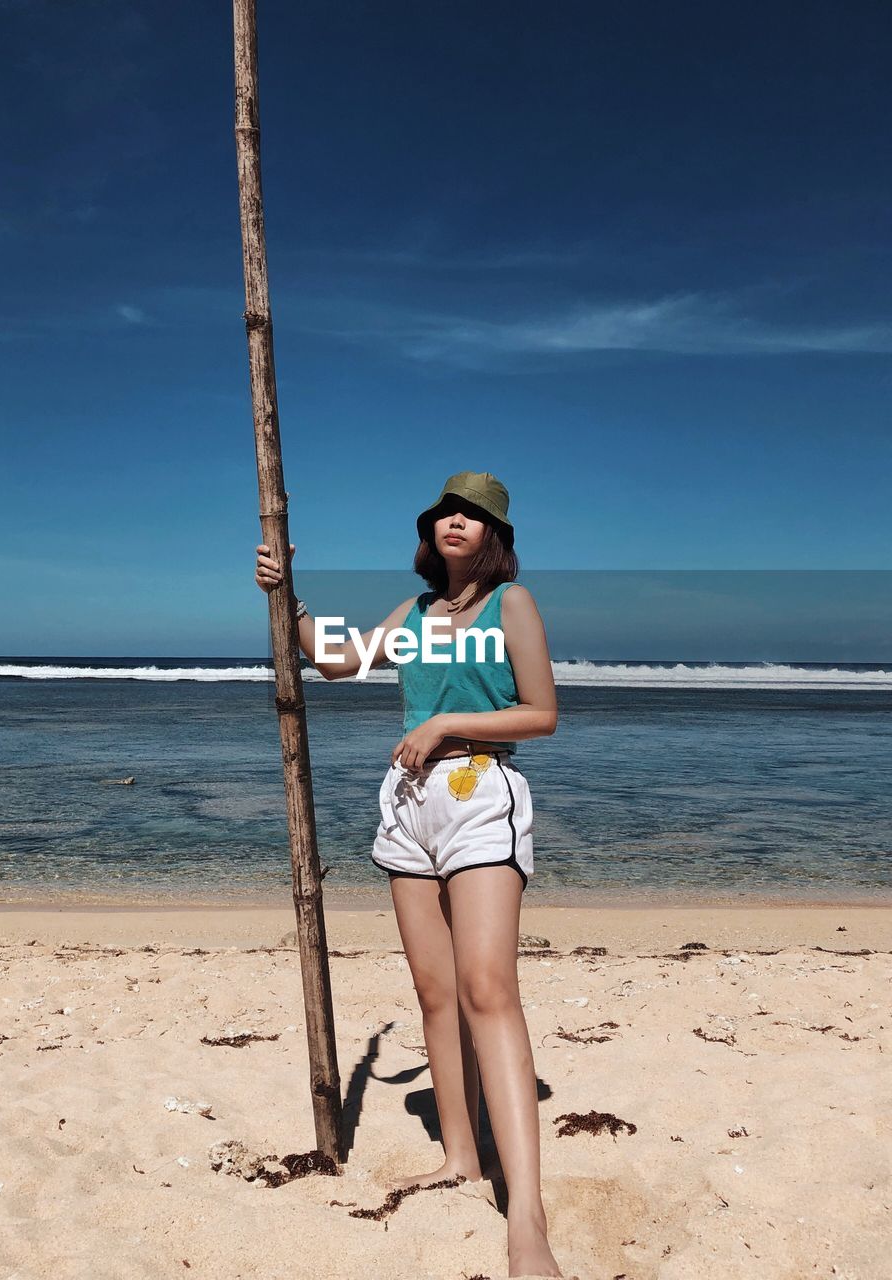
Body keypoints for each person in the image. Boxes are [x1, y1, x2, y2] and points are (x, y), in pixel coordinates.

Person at [255, 470, 561, 1279]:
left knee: (487, 989)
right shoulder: (416, 613)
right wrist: (288, 597)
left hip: (479, 789)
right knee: (433, 994)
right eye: (445, 513)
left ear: (494, 535)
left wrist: (446, 721)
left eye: (474, 515)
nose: (456, 522)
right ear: (431, 534)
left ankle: (525, 1218)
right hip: (409, 804)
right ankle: (460, 1157)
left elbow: (542, 713)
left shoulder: (512, 607)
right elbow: (336, 662)